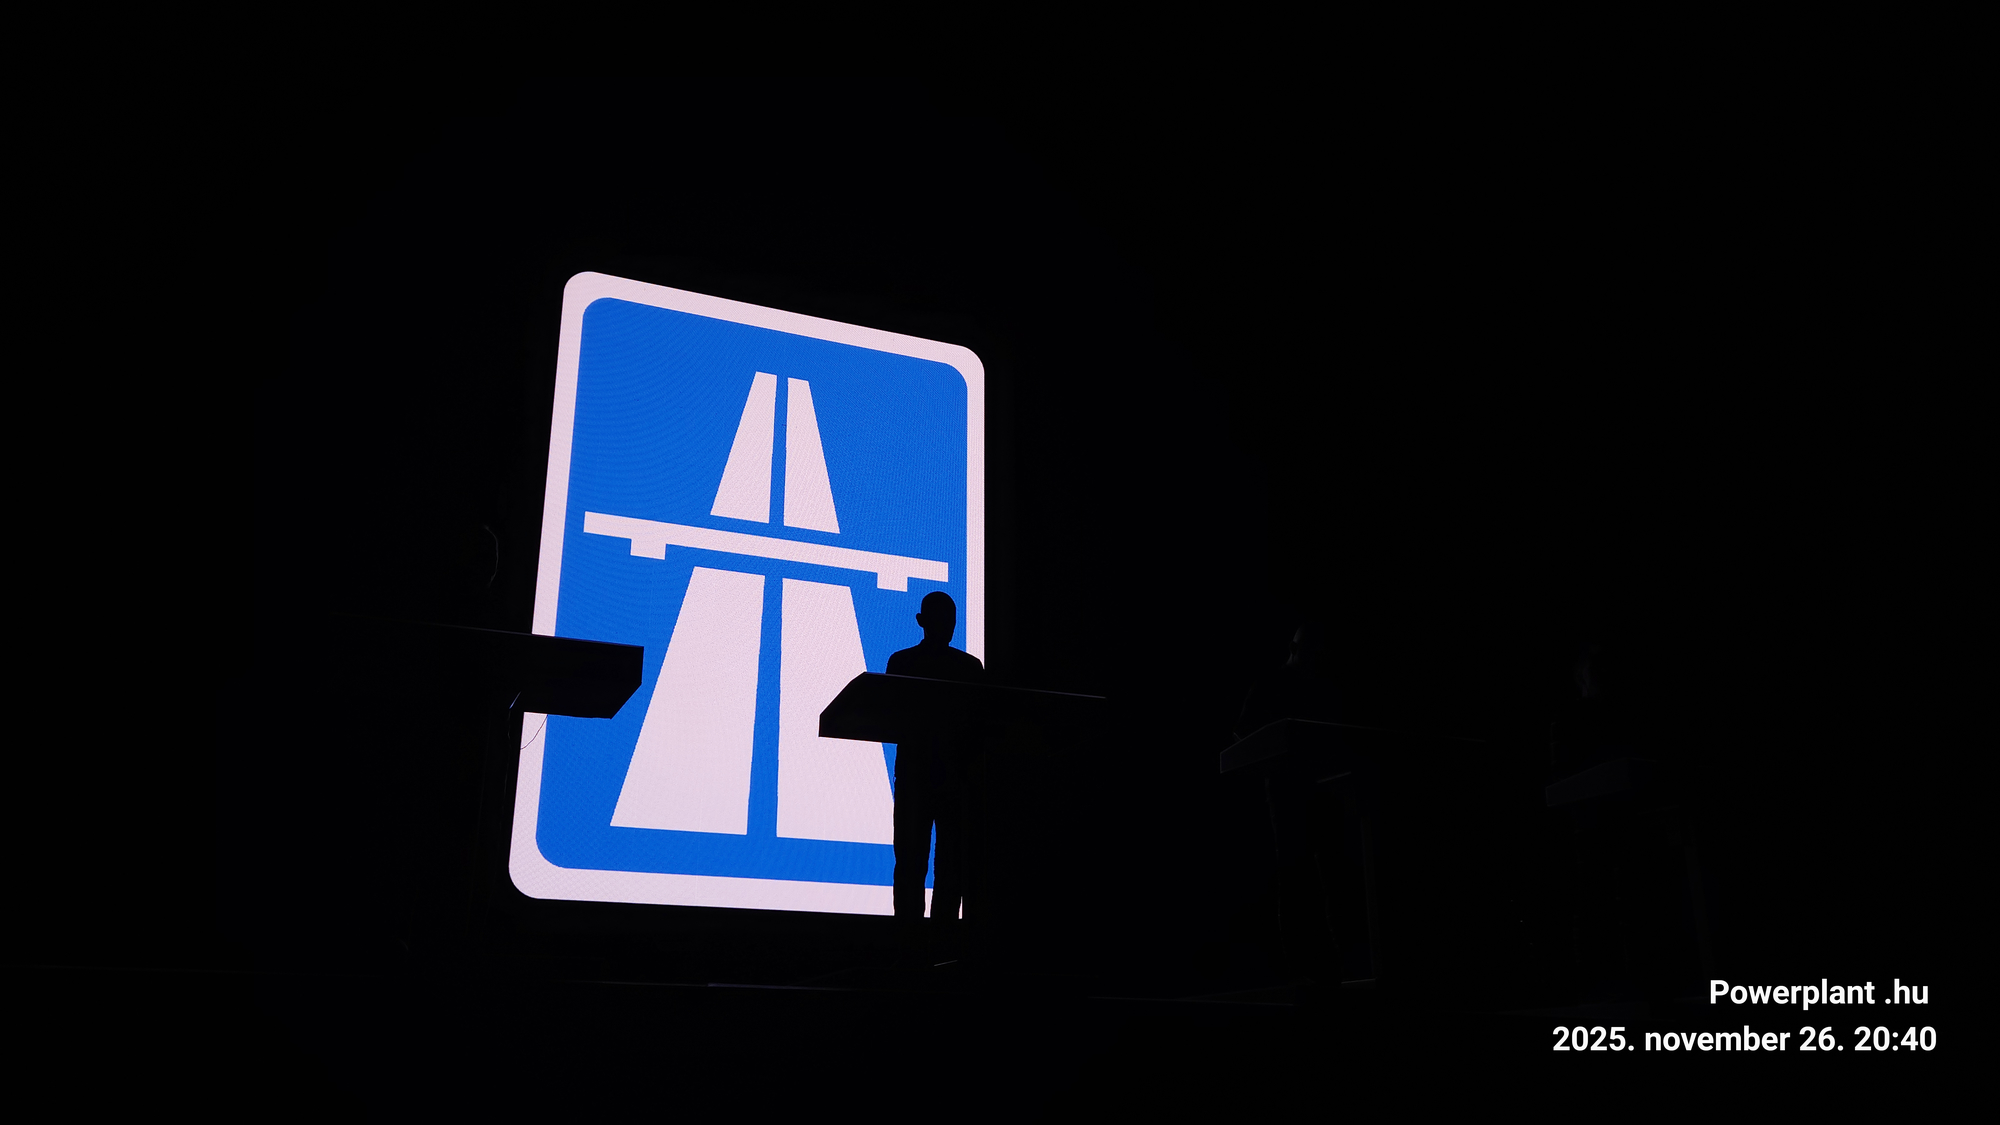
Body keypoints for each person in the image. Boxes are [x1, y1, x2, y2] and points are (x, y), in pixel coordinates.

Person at [885, 591, 984, 948]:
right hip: (952, 779)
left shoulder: (902, 662)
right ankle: (941, 944)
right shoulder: (969, 668)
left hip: (922, 778)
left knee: (915, 863)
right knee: (946, 865)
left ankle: (910, 946)